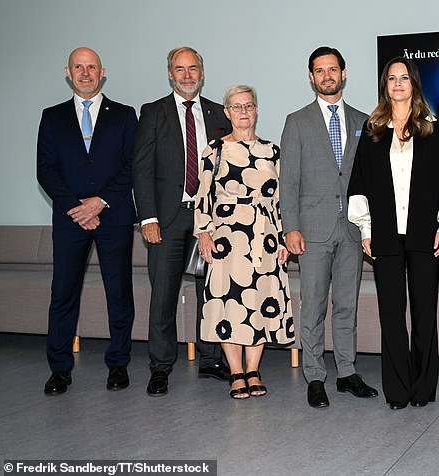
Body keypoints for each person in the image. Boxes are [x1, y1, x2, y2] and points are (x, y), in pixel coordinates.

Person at [348, 57, 439, 410]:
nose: (398, 83)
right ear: (386, 85)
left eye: (404, 78)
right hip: (384, 235)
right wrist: (366, 228)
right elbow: (359, 184)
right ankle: (397, 390)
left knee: (425, 312)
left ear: (414, 83)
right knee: (391, 315)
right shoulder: (372, 130)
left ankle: (423, 387)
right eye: (391, 78)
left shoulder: (432, 128)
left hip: (424, 235)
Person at [280, 46, 378, 408]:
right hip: (312, 229)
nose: (326, 76)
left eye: (332, 69)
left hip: (351, 229)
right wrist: (290, 227)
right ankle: (315, 376)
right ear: (311, 77)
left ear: (344, 73)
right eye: (319, 71)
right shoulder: (297, 121)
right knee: (313, 306)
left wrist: (370, 227)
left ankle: (347, 372)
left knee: (346, 306)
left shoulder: (363, 121)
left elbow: (369, 180)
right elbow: (288, 180)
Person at [37, 47, 137, 395]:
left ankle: (119, 364)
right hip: (70, 220)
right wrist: (77, 208)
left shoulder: (125, 115)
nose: (85, 73)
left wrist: (98, 203)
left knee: (119, 293)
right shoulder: (52, 117)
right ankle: (60, 369)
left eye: (91, 67)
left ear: (102, 72)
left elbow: (131, 167)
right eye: (78, 67)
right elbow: (45, 170)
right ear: (68, 72)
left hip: (114, 216)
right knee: (63, 294)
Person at [132, 46, 231, 396]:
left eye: (193, 69)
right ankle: (160, 367)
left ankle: (210, 360)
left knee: (212, 291)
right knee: (163, 296)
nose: (187, 75)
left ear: (202, 74)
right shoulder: (153, 112)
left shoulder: (220, 114)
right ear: (170, 74)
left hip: (211, 221)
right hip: (168, 219)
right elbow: (141, 169)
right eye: (180, 69)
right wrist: (148, 217)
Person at [195, 85, 294, 399]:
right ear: (226, 112)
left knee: (260, 301)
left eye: (248, 105)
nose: (242, 112)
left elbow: (281, 200)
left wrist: (282, 238)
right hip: (227, 239)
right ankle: (235, 372)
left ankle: (253, 370)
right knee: (229, 303)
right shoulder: (215, 150)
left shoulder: (273, 151)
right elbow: (203, 195)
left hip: (265, 238)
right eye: (235, 106)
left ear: (256, 109)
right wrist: (203, 233)